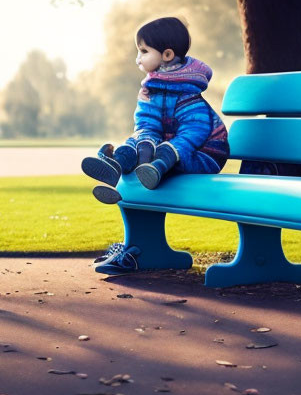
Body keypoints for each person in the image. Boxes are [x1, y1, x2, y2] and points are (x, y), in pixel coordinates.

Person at [81, 16, 229, 274]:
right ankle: (118, 164)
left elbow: (195, 131)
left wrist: (169, 151)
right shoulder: (151, 89)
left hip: (204, 153)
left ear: (168, 54)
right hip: (171, 147)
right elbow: (147, 122)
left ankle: (152, 166)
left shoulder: (188, 92)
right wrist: (144, 143)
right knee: (138, 142)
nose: (138, 58)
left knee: (159, 155)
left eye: (143, 51)